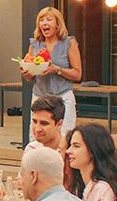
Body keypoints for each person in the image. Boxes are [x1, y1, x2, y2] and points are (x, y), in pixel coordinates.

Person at [22, 7, 82, 139]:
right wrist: (27, 73)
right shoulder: (35, 45)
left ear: (57, 24)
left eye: (49, 19)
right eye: (41, 20)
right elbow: (30, 76)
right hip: (39, 98)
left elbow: (77, 74)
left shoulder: (69, 43)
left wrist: (57, 69)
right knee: (36, 138)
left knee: (65, 138)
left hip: (63, 97)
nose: (44, 23)